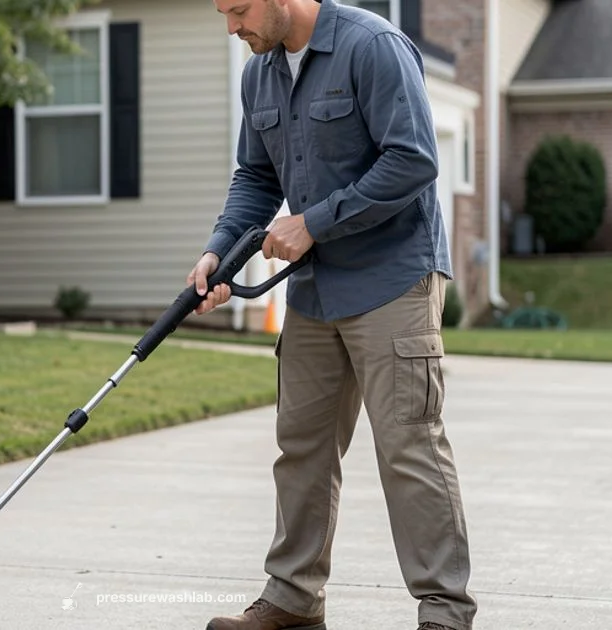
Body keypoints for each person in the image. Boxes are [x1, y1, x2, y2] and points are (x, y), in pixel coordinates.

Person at [194, 1, 477, 629]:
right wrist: (220, 251)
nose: (230, 27)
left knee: (409, 444)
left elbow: (413, 159)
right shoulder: (259, 72)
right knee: (303, 446)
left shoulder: (371, 46)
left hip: (392, 278)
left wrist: (314, 223)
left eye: (237, 9)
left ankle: (444, 612)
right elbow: (256, 178)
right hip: (316, 288)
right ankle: (294, 599)